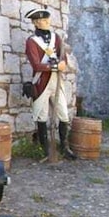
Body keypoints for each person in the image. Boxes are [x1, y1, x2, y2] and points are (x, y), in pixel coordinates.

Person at [24, 8, 77, 160]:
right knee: (41, 116)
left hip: (56, 81)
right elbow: (36, 65)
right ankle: (46, 150)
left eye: (47, 20)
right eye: (42, 21)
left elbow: (63, 58)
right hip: (42, 82)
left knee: (63, 114)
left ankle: (64, 147)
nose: (46, 23)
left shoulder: (56, 38)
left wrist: (62, 64)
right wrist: (55, 66)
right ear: (35, 23)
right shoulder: (32, 41)